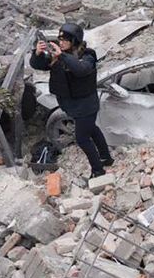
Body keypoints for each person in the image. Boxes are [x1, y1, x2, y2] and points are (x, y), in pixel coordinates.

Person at [30, 23, 113, 179]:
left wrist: (61, 55)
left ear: (74, 41)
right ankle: (106, 158)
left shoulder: (88, 55)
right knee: (93, 130)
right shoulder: (60, 55)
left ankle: (98, 170)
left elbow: (81, 70)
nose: (61, 43)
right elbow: (38, 65)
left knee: (82, 138)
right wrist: (37, 54)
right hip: (71, 104)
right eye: (60, 40)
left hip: (86, 105)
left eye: (65, 40)